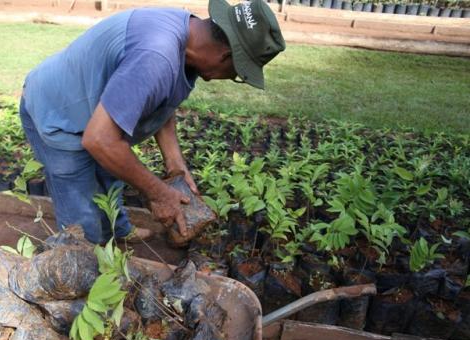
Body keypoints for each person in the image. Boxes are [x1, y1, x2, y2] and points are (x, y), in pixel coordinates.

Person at [19, 0, 285, 245]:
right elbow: (99, 140)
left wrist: (174, 162)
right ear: (226, 57)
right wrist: (158, 193)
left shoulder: (187, 33)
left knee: (112, 177)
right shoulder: (156, 56)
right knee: (83, 222)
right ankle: (84, 269)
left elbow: (159, 100)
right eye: (238, 74)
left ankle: (119, 231)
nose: (229, 78)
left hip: (92, 111)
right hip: (58, 115)